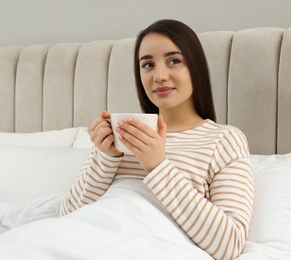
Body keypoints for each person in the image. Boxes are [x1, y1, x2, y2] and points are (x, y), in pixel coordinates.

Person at [60, 19, 254, 260]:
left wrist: (158, 166)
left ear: (196, 67)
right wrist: (106, 156)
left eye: (174, 61)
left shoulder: (224, 140)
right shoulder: (126, 133)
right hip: (78, 244)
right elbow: (68, 214)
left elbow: (229, 244)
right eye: (148, 65)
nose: (159, 76)